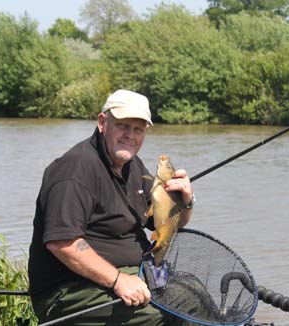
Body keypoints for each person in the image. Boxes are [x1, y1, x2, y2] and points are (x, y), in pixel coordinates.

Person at [28, 89, 195, 325]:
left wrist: (185, 200)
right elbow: (63, 243)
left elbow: (164, 223)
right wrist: (118, 281)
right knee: (160, 315)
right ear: (102, 123)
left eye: (138, 129)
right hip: (68, 290)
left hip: (131, 273)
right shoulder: (75, 170)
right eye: (123, 126)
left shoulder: (132, 165)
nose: (130, 135)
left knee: (193, 297)